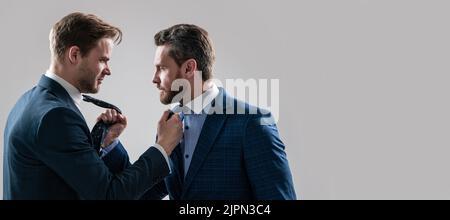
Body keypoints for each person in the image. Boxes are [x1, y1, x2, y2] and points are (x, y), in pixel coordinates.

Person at [3, 12, 183, 199]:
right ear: (74, 55)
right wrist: (163, 146)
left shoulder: (28, 101)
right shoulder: (56, 116)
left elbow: (76, 179)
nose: (108, 70)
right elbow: (109, 196)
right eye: (102, 60)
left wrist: (107, 143)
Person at [141, 24, 296, 200]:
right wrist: (111, 146)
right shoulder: (170, 123)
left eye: (162, 68)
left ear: (189, 68)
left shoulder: (252, 123)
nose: (154, 78)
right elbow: (144, 192)